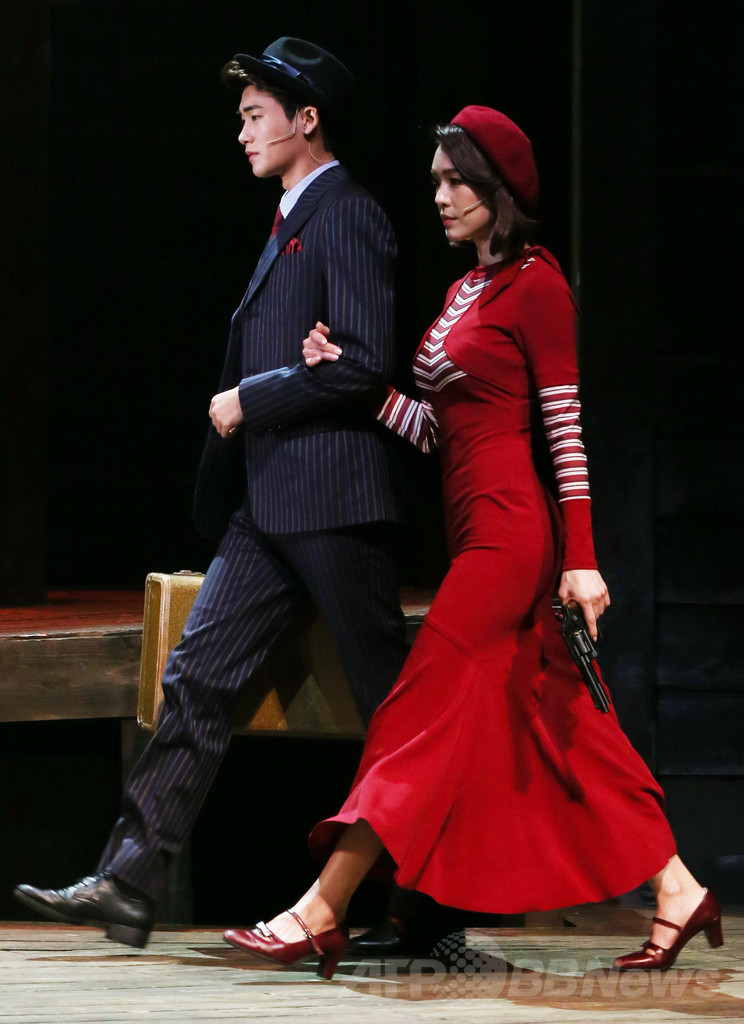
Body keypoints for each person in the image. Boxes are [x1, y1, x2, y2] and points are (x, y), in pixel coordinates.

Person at [222, 106, 724, 979]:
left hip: (510, 538)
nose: (441, 197)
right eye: (436, 183)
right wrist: (360, 386)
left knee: (414, 714)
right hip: (474, 537)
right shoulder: (467, 291)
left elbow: (564, 432)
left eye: (457, 181)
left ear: (500, 187)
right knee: (569, 726)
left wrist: (582, 558)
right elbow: (436, 430)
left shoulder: (538, 286)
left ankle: (321, 908)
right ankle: (678, 889)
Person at [13, 37, 411, 948]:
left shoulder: (349, 213)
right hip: (269, 506)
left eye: (255, 115)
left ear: (307, 120)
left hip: (335, 500)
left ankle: (431, 901)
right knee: (194, 676)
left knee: (395, 708)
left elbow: (362, 360)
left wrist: (248, 399)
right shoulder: (290, 216)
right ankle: (127, 881)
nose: (241, 133)